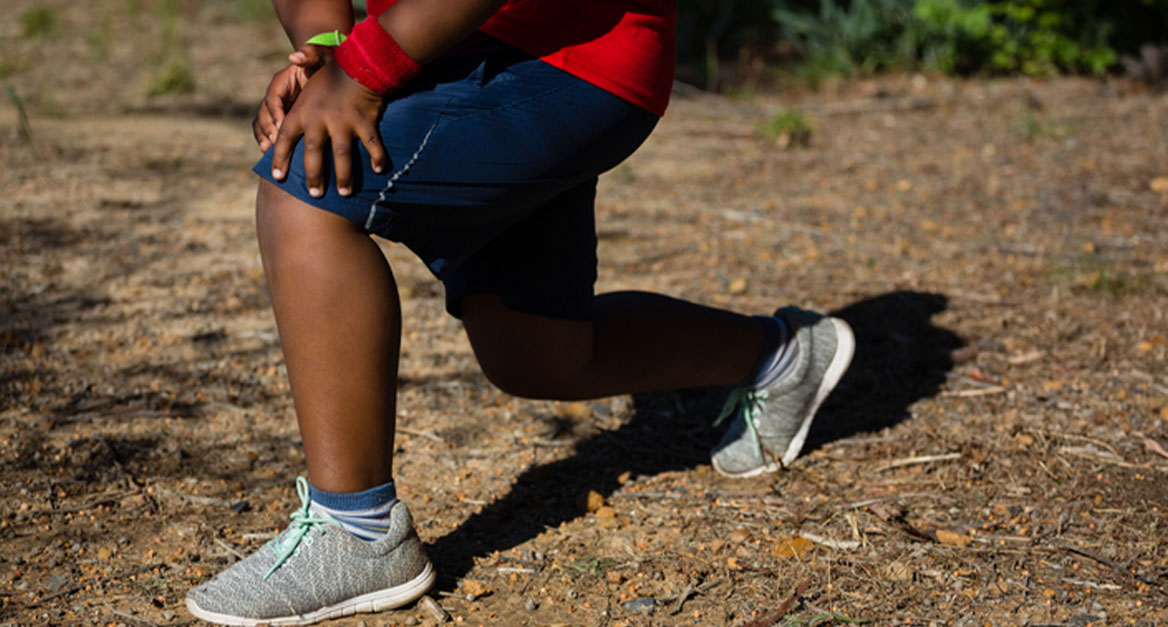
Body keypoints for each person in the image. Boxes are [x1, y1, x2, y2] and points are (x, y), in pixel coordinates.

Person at [185, 0, 855, 624]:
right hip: (446, 44)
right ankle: (779, 354)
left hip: (576, 54)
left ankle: (356, 531)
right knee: (535, 351)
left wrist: (360, 70)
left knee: (307, 181)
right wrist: (325, 48)